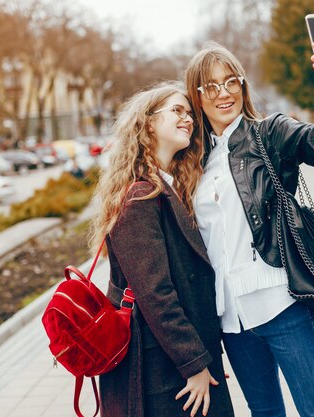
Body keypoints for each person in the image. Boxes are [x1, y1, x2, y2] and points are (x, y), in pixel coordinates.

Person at [184, 41, 314, 417]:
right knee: (264, 413)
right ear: (196, 96)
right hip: (231, 319)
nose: (224, 93)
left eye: (231, 81)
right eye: (211, 86)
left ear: (243, 86)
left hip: (283, 304)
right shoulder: (191, 160)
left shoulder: (268, 134)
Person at [89, 81, 234, 417]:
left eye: (190, 114)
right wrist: (194, 363)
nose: (188, 119)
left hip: (174, 363)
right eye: (177, 111)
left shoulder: (166, 188)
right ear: (150, 122)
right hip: (160, 370)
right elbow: (156, 294)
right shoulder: (139, 198)